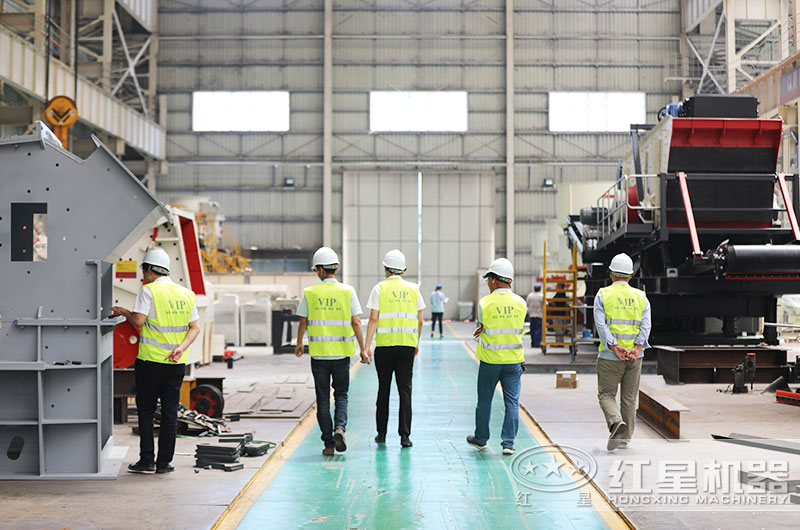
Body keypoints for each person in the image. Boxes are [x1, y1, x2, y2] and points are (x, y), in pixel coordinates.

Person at [111, 248, 200, 474]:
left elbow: (139, 321)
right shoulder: (186, 294)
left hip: (150, 363)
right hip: (177, 363)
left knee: (146, 412)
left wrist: (124, 311)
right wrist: (180, 348)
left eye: (144, 271)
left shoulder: (148, 291)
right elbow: (195, 328)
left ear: (149, 270)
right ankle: (164, 463)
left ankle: (147, 460)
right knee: (170, 413)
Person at [295, 247, 367, 457]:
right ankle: (340, 428)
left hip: (319, 355)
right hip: (342, 354)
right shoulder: (348, 291)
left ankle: (328, 443)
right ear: (335, 268)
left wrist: (299, 343)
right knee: (342, 394)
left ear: (319, 270)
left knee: (323, 400)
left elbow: (303, 321)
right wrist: (363, 349)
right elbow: (356, 321)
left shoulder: (311, 292)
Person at [364, 249, 425, 448]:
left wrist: (366, 346)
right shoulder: (414, 289)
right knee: (405, 390)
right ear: (403, 270)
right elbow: (421, 321)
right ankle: (405, 436)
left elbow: (373, 319)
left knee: (384, 389)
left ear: (385, 269)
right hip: (407, 346)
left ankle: (381, 433)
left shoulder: (379, 288)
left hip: (385, 347)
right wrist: (415, 342)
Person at [467, 258, 527, 455]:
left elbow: (484, 326)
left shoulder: (485, 303)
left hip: (490, 361)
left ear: (494, 280)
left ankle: (481, 439)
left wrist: (481, 329)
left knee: (484, 401)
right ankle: (508, 443)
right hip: (514, 362)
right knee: (512, 403)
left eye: (488, 280)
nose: (487, 283)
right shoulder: (521, 303)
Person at [593, 253, 651, 451]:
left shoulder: (603, 295)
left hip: (611, 356)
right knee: (629, 398)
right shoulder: (641, 297)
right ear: (630, 275)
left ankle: (616, 422)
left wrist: (613, 345)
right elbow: (646, 325)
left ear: (611, 274)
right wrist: (636, 347)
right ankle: (625, 439)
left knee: (606, 395)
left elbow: (601, 325)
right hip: (635, 357)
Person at [526, 283, 543, 348]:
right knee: (538, 330)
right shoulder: (542, 296)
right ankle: (537, 343)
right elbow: (545, 304)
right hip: (539, 315)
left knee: (532, 330)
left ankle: (533, 343)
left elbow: (527, 304)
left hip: (531, 315)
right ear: (540, 288)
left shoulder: (530, 296)